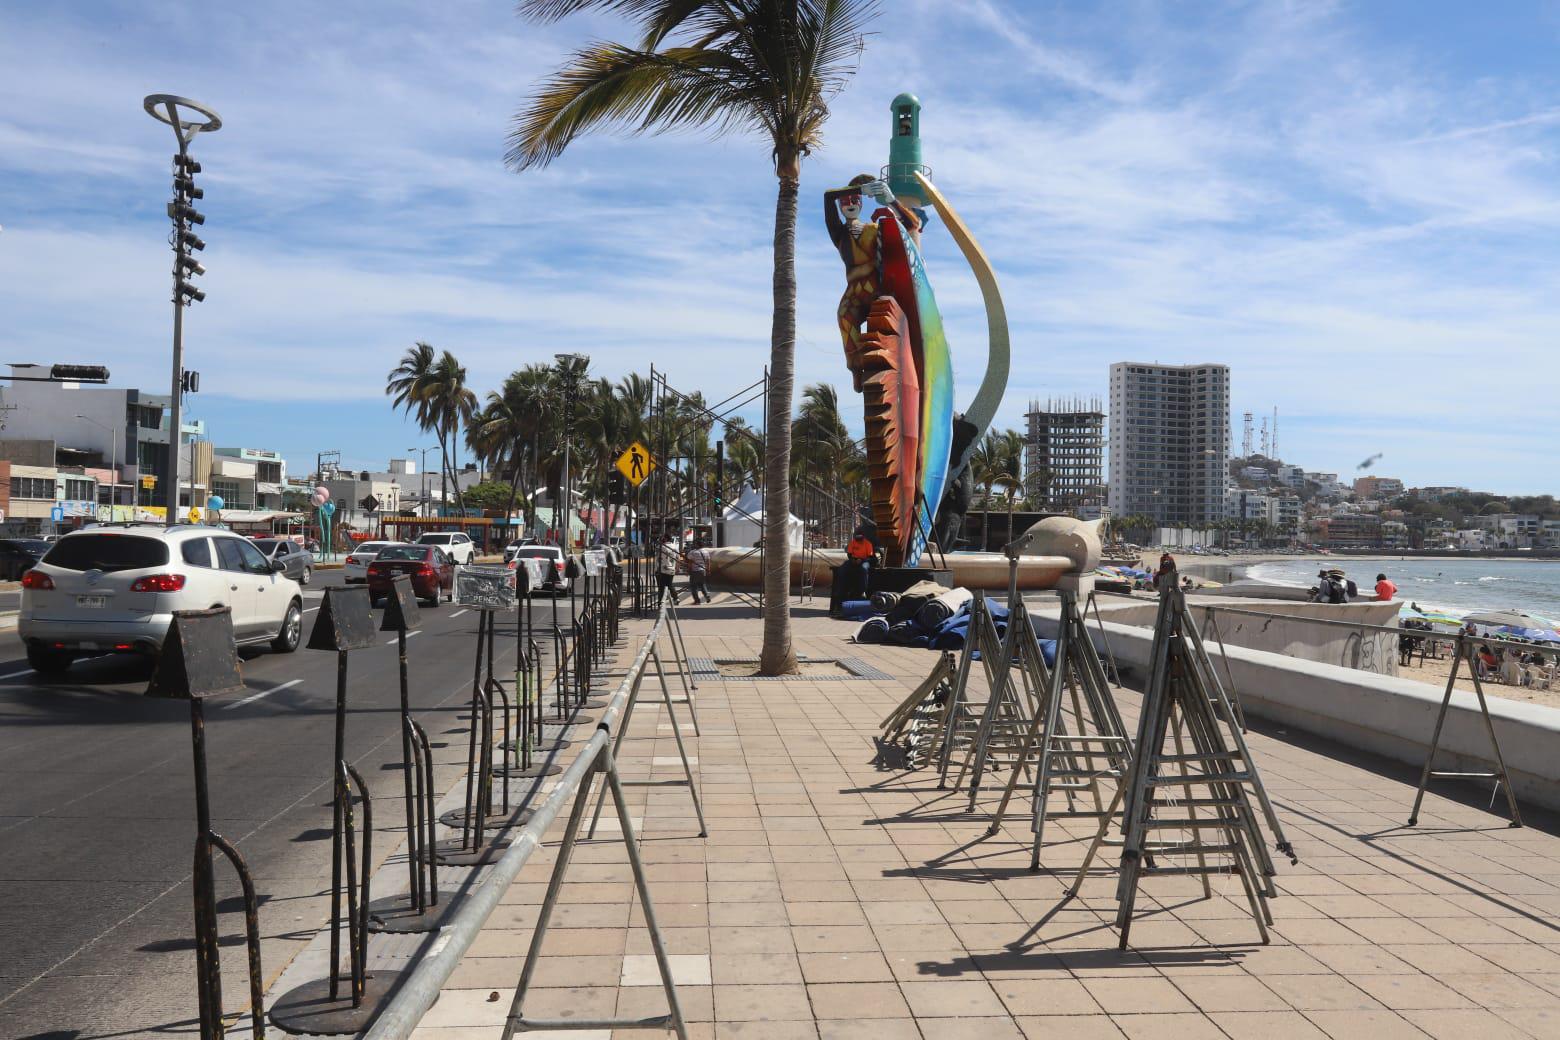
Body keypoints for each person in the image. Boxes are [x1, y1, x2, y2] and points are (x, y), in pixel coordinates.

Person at [654, 532, 679, 604]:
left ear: (665, 538)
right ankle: (676, 598)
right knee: (670, 584)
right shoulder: (675, 546)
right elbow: (678, 558)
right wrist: (677, 568)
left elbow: (656, 555)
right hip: (671, 569)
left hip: (661, 570)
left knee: (661, 587)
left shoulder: (661, 547)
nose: (661, 539)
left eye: (662, 537)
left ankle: (660, 602)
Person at [685, 538, 711, 605]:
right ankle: (707, 595)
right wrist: (708, 570)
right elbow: (708, 562)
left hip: (695, 571)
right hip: (703, 570)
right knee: (702, 584)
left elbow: (690, 563)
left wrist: (688, 571)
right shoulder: (706, 552)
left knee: (693, 586)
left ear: (697, 545)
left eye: (695, 544)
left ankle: (697, 601)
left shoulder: (693, 552)